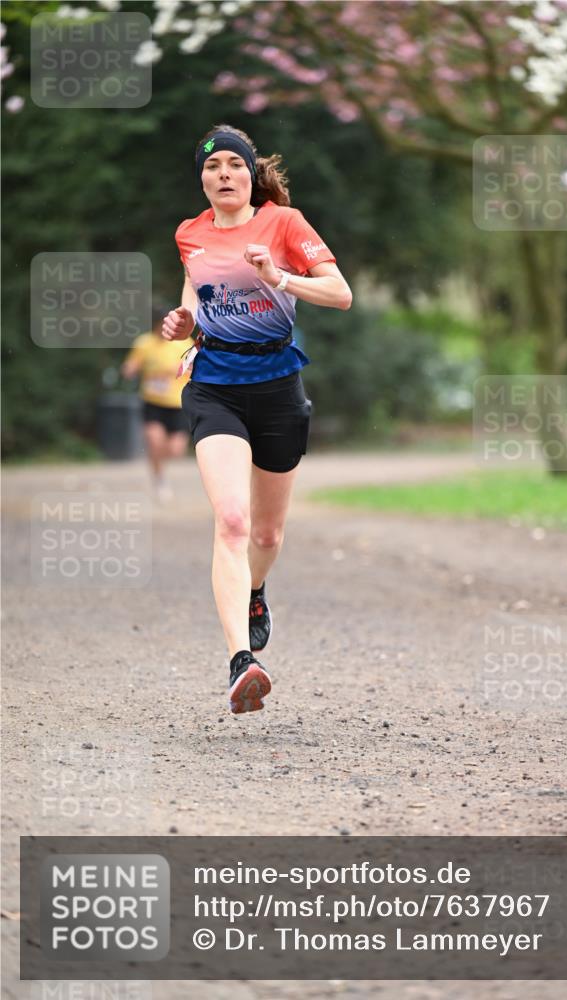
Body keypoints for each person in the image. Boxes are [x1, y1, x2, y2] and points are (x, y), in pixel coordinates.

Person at [162, 124, 352, 715]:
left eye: (235, 166)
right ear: (202, 177)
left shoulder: (284, 225)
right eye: (213, 165)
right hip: (214, 386)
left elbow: (340, 294)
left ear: (251, 175)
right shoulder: (189, 233)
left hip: (277, 386)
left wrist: (279, 277)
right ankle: (242, 662)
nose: (224, 174)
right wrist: (184, 321)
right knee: (234, 521)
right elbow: (196, 289)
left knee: (267, 535)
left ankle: (254, 591)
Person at [121, 307, 193, 501]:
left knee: (175, 450)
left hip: (178, 403)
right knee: (154, 440)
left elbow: (196, 368)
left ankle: (159, 465)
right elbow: (131, 366)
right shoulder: (144, 343)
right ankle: (159, 479)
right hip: (153, 402)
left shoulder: (184, 343)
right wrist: (129, 370)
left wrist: (179, 370)